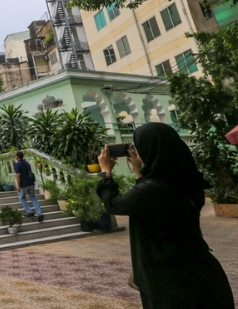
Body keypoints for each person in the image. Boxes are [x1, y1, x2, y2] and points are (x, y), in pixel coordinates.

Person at [96, 123, 234, 309]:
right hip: (200, 268)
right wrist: (139, 171)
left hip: (170, 280)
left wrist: (106, 172)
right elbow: (150, 203)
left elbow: (113, 204)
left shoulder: (151, 190)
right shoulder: (188, 181)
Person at [13, 151, 43, 222]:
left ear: (17, 156)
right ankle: (40, 213)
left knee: (22, 198)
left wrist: (18, 185)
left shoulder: (18, 164)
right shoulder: (27, 163)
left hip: (23, 184)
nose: (15, 156)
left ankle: (29, 212)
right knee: (33, 198)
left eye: (15, 155)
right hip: (31, 182)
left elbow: (18, 175)